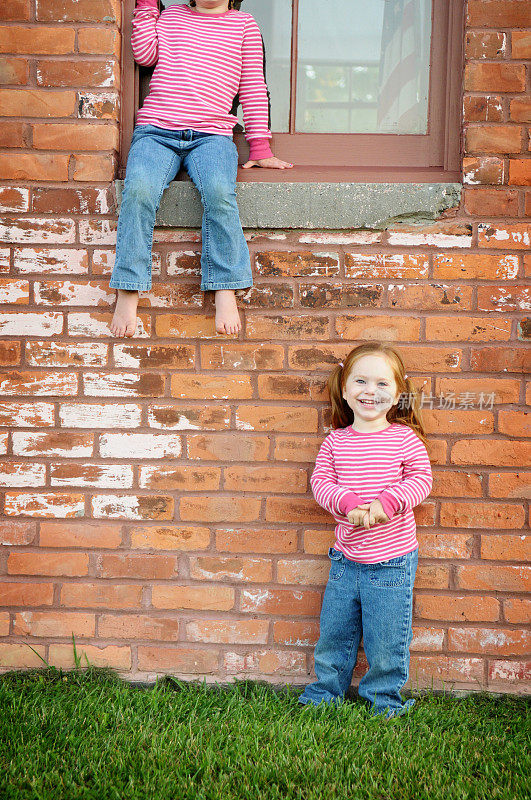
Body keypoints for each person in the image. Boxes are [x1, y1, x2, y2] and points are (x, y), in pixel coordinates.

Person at [110, 0, 292, 338]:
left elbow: (252, 86)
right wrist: (148, 6)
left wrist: (260, 146)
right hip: (157, 132)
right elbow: (144, 55)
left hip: (212, 136)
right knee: (138, 190)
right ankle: (128, 287)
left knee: (220, 194)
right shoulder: (173, 14)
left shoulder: (243, 25)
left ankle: (225, 286)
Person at [298, 342, 433, 718]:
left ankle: (384, 700)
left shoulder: (405, 439)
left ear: (398, 393)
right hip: (345, 560)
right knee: (335, 635)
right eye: (360, 381)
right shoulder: (336, 442)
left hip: (391, 562)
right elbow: (321, 482)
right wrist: (346, 503)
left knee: (387, 640)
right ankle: (325, 693)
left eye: (381, 384)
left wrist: (386, 503)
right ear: (344, 388)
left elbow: (421, 480)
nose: (369, 391)